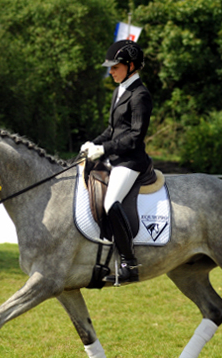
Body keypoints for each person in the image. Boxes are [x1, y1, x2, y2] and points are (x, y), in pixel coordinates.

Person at [80, 40, 154, 284]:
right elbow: (113, 129)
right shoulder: (119, 90)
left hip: (131, 161)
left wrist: (103, 148)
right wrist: (93, 143)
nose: (110, 71)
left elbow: (134, 137)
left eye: (115, 67)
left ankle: (129, 262)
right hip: (115, 157)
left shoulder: (140, 95)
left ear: (131, 66)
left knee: (111, 202)